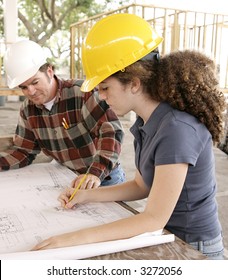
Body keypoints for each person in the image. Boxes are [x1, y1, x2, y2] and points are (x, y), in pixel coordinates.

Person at [32, 13, 226, 259]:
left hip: (195, 248)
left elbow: (153, 218)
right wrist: (87, 195)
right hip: (168, 235)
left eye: (105, 88)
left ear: (134, 83)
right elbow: (141, 186)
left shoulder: (176, 129)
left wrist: (73, 239)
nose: (101, 96)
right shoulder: (148, 122)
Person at [0, 40, 126, 188]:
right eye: (24, 87)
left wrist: (94, 173)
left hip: (104, 178)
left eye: (35, 83)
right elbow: (24, 151)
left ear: (49, 71)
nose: (30, 92)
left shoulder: (83, 93)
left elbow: (111, 132)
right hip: (68, 177)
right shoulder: (28, 110)